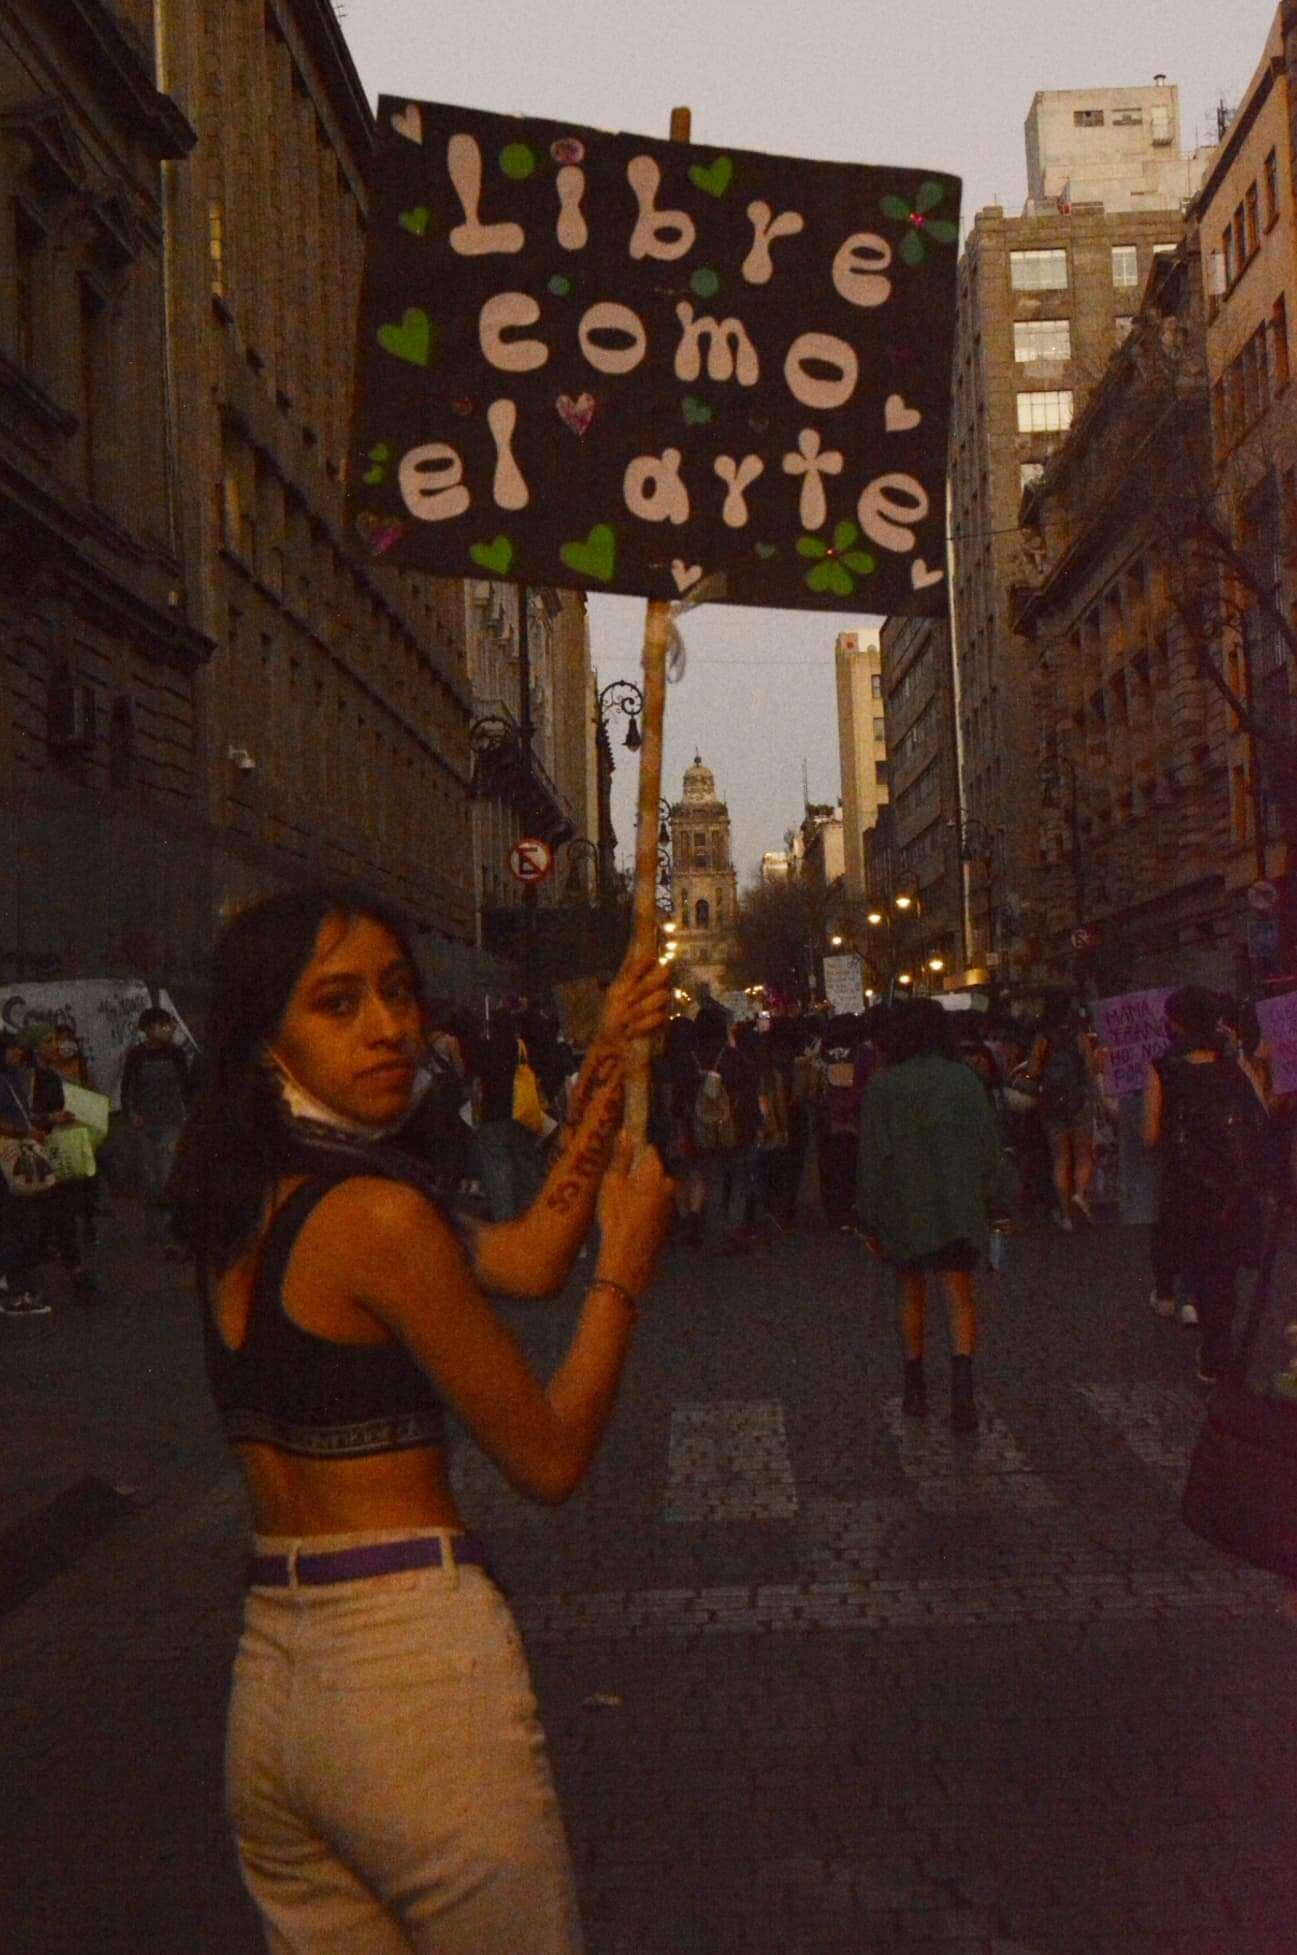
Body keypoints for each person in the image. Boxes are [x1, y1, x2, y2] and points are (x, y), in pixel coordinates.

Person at [167, 883, 673, 1955]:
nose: (388, 1026)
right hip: (408, 1675)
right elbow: (546, 1457)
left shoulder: (254, 1204)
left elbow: (525, 1258)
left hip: (272, 1691)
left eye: (398, 992)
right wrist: (625, 1265)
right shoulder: (379, 1218)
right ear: (264, 1037)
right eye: (337, 1002)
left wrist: (608, 1055)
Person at [858, 999, 1013, 1434]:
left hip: (904, 1205)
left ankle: (915, 1387)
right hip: (958, 1205)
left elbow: (871, 1159)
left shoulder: (884, 1086)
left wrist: (868, 1217)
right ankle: (963, 1394)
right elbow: (988, 1148)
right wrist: (997, 1203)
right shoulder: (964, 1079)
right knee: (958, 1294)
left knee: (910, 1293)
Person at [1142, 985, 1269, 1385]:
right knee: (1224, 1273)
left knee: (1201, 1269)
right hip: (1234, 1190)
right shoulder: (1234, 1066)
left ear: (1176, 1023)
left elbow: (1149, 1134)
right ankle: (1218, 1346)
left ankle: (1212, 1350)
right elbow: (1261, 1115)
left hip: (1188, 1189)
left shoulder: (1163, 1069)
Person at [1027, 994, 1100, 1229]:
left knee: (1060, 1158)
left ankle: (1066, 1215)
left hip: (1051, 1104)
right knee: (1083, 1155)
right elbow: (1089, 1069)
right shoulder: (1079, 1036)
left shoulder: (1043, 1037)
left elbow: (1033, 1070)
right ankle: (1080, 1194)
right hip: (1078, 1101)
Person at [121, 1007, 191, 1209]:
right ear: (149, 1029)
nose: (168, 1029)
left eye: (168, 1025)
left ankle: (167, 1211)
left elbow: (185, 1086)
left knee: (167, 1167)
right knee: (149, 1171)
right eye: (163, 1025)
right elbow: (127, 1088)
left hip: (171, 1119)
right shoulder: (136, 1055)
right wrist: (132, 1114)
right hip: (145, 1121)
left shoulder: (176, 1053)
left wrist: (187, 1114)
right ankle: (152, 1212)